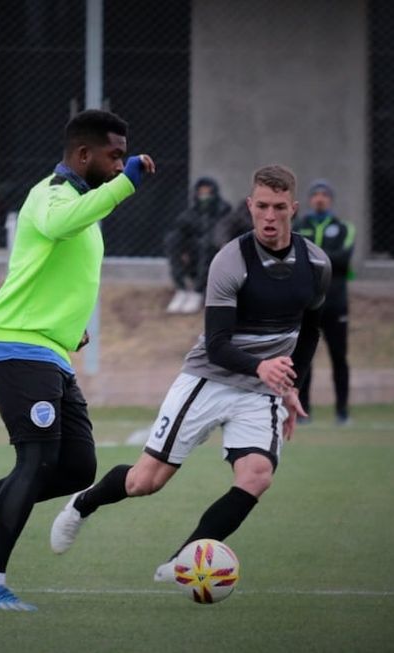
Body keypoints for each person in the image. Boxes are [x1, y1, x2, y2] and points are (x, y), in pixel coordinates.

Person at [0, 109, 155, 611]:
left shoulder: (83, 202)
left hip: (48, 348)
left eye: (123, 157)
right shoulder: (52, 192)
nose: (120, 165)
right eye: (113, 156)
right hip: (15, 343)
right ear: (83, 155)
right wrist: (125, 185)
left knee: (75, 467)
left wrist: (72, 327)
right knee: (36, 459)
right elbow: (58, 223)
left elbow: (57, 270)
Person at [49, 165, 331, 582]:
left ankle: (183, 562)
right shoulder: (230, 261)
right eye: (262, 207)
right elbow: (217, 344)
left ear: (294, 208)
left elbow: (309, 328)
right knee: (145, 482)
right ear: (250, 206)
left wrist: (290, 385)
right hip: (210, 379)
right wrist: (262, 367)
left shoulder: (315, 262)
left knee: (257, 475)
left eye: (278, 208)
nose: (269, 217)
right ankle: (82, 504)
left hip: (262, 389)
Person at [292, 179, 354, 425]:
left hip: (336, 303)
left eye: (324, 195)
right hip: (307, 304)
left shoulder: (344, 227)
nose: (320, 198)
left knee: (339, 357)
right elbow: (294, 256)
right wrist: (323, 256)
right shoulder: (299, 225)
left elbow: (343, 260)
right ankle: (303, 411)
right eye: (315, 195)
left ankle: (342, 411)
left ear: (330, 199)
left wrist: (313, 254)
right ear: (309, 200)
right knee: (303, 357)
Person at [164, 178, 232, 314]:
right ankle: (181, 289)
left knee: (206, 243)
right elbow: (180, 229)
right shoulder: (192, 212)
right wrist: (182, 249)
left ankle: (197, 292)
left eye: (208, 193)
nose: (204, 197)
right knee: (172, 239)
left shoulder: (224, 211)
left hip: (214, 255)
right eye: (201, 193)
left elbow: (222, 234)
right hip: (194, 255)